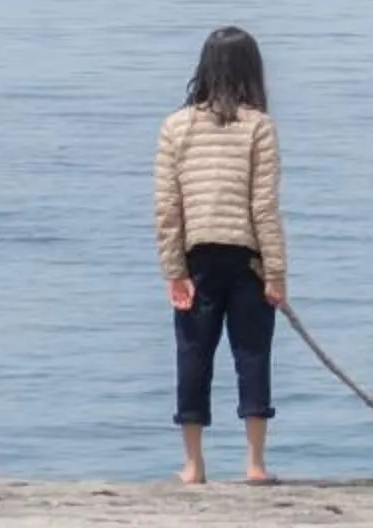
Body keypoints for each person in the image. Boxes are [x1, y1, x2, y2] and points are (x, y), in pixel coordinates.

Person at [154, 26, 289, 485]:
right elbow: (264, 207)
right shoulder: (259, 127)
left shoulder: (175, 126)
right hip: (248, 258)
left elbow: (167, 206)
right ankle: (255, 465)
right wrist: (276, 273)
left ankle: (193, 465)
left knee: (193, 354)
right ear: (253, 71)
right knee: (252, 354)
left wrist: (173, 269)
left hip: (197, 258)